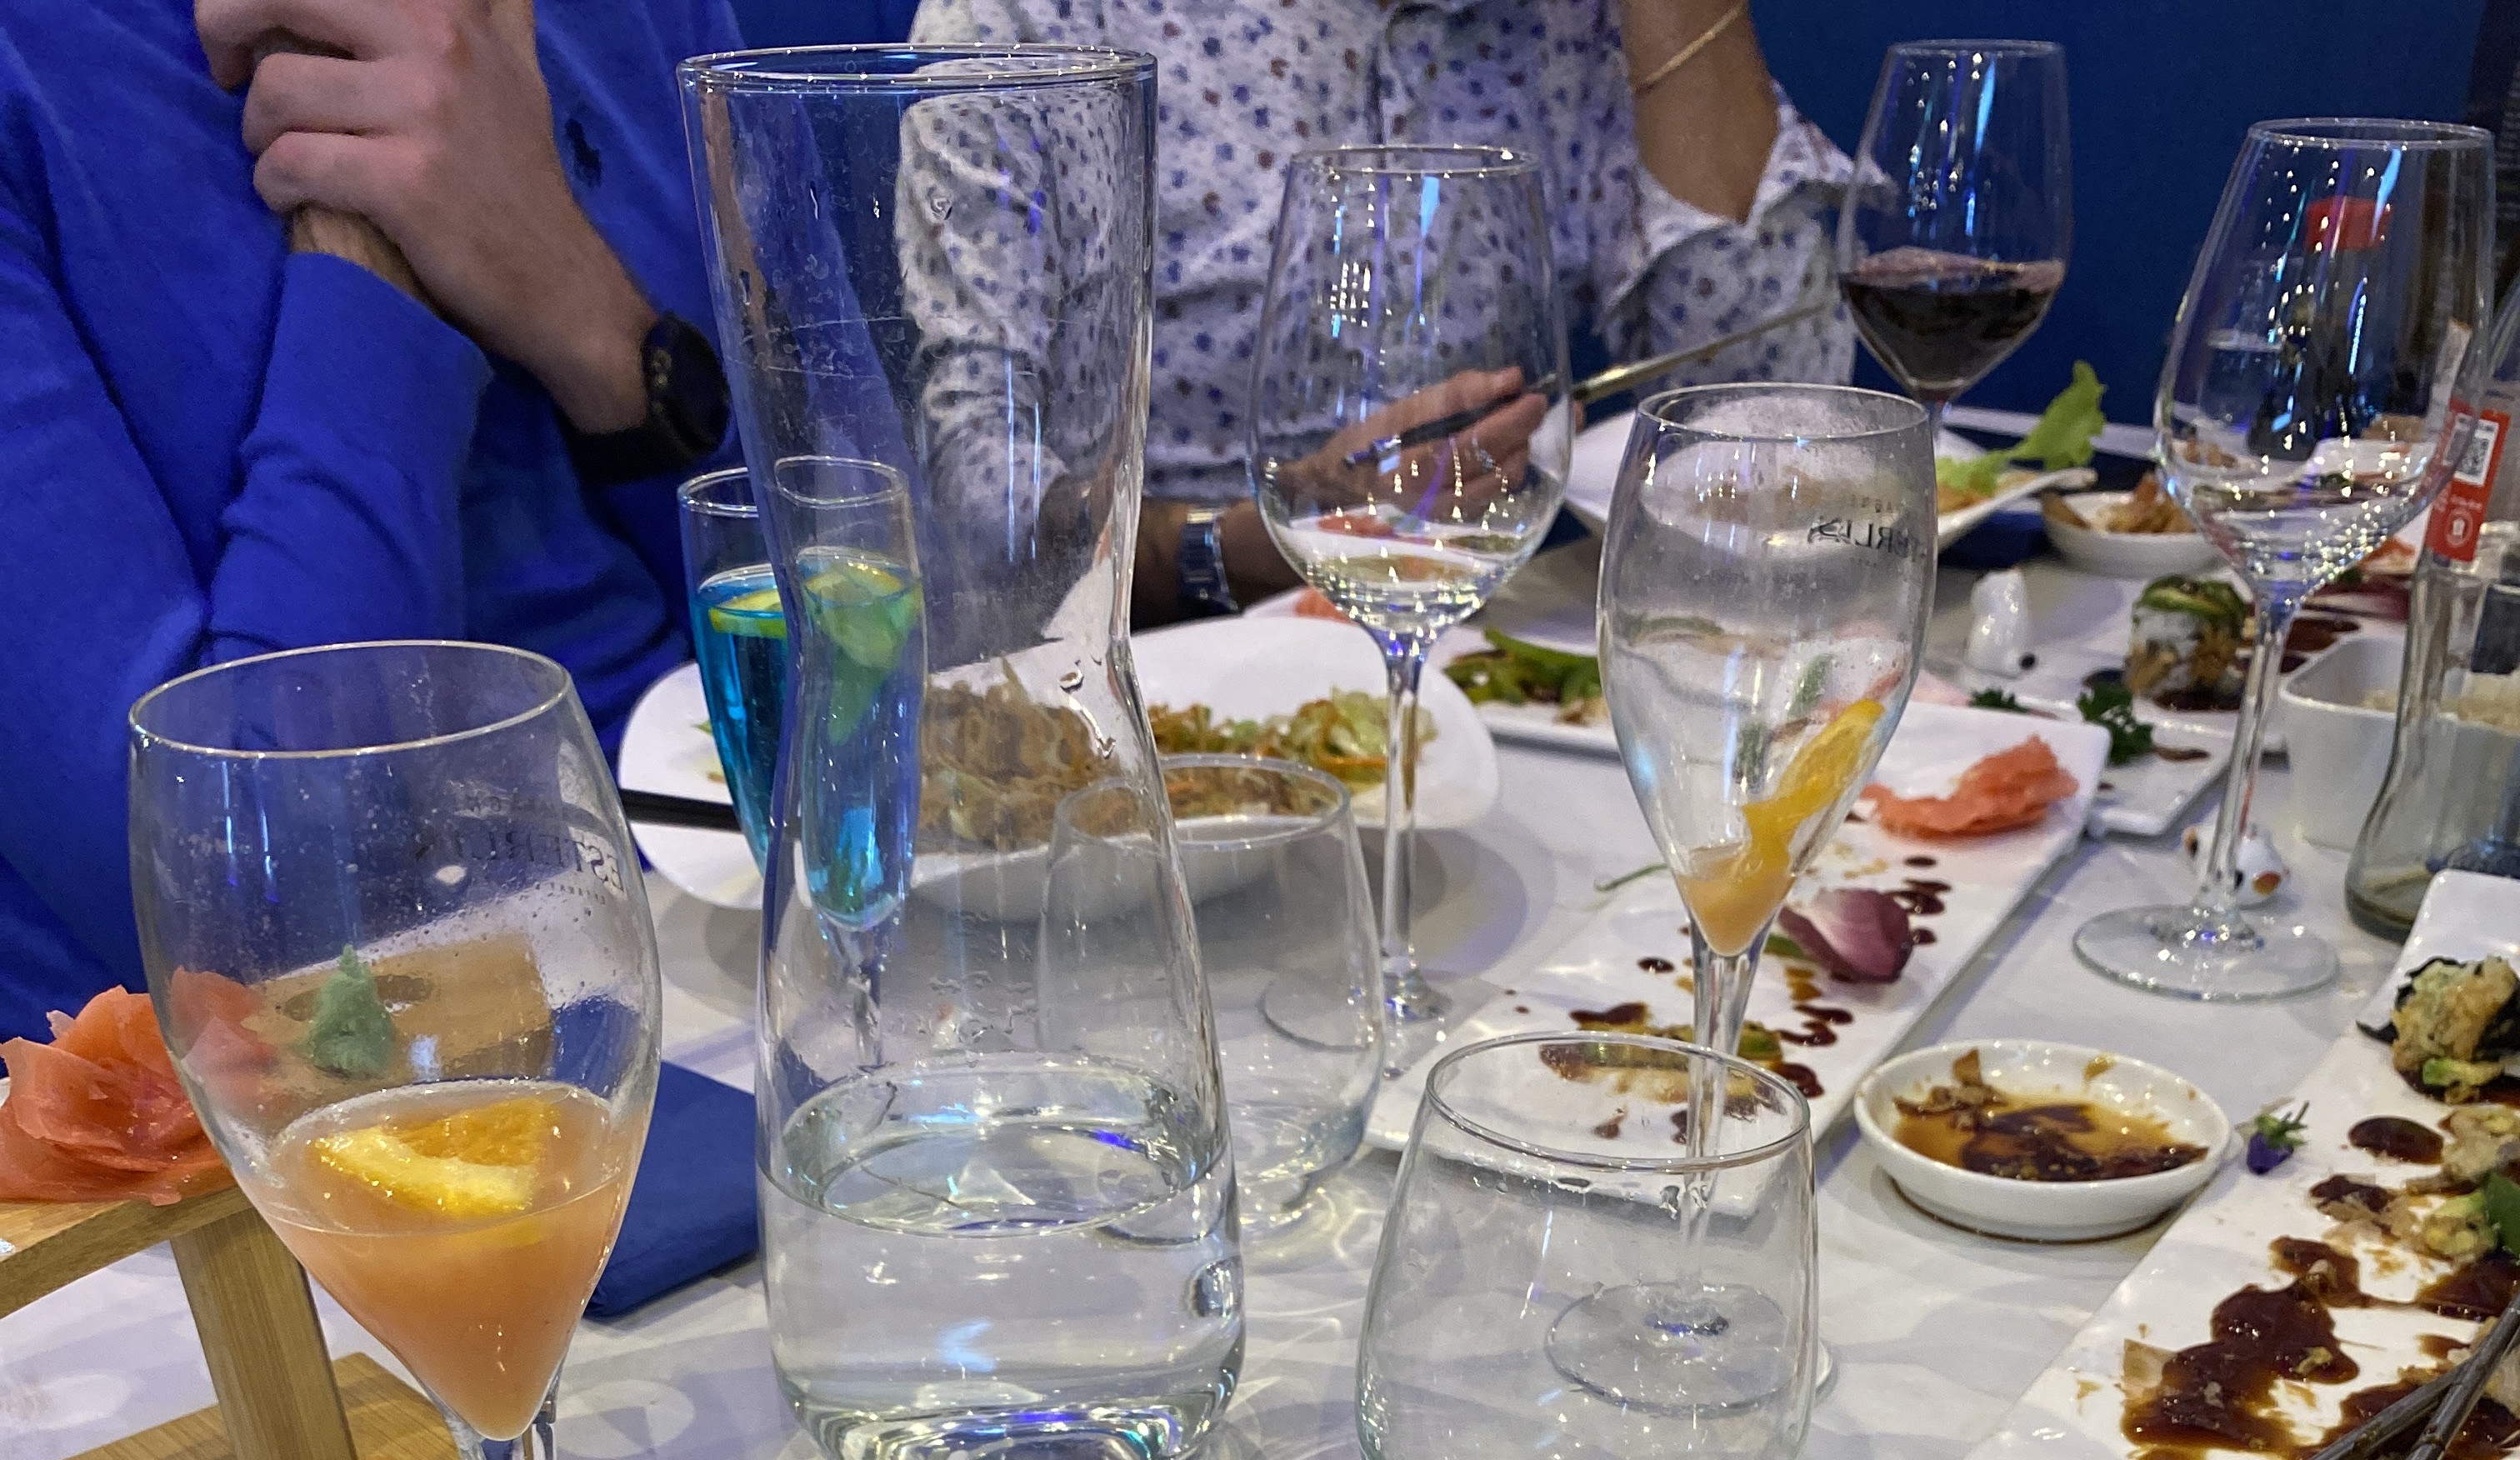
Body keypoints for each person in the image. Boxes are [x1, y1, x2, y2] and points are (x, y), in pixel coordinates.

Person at [0, 0, 741, 1026]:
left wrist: (595, 325)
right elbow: (233, 930)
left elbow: (876, 665)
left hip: (765, 948)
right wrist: (367, 252)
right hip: (313, 1082)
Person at [905, 0, 1852, 622]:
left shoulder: (1565, 27)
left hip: (1480, 688)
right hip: (1143, 705)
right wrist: (1256, 544)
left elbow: (1772, 443)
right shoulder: (1035, 24)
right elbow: (979, 501)